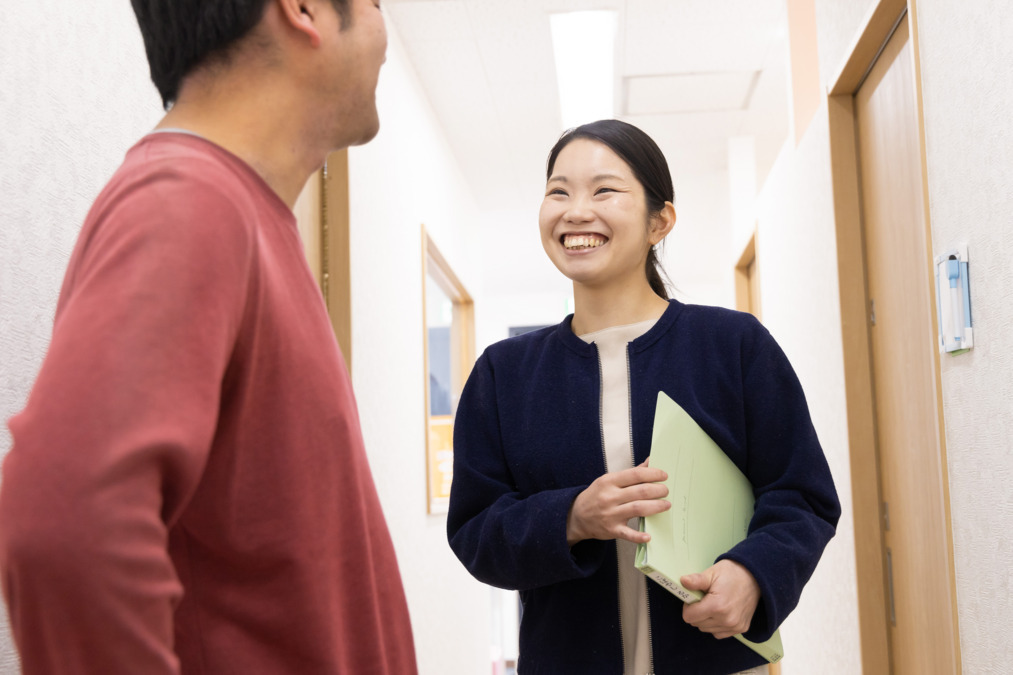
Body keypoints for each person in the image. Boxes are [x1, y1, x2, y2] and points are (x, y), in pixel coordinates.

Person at [0, 1, 417, 673]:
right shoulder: (189, 199)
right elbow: (61, 520)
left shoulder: (241, 213)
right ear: (305, 9)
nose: (382, 27)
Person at [447, 119, 840, 674]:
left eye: (603, 190)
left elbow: (802, 496)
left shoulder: (733, 346)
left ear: (660, 221)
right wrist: (572, 516)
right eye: (558, 191)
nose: (576, 210)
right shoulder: (504, 374)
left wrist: (754, 574)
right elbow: (475, 530)